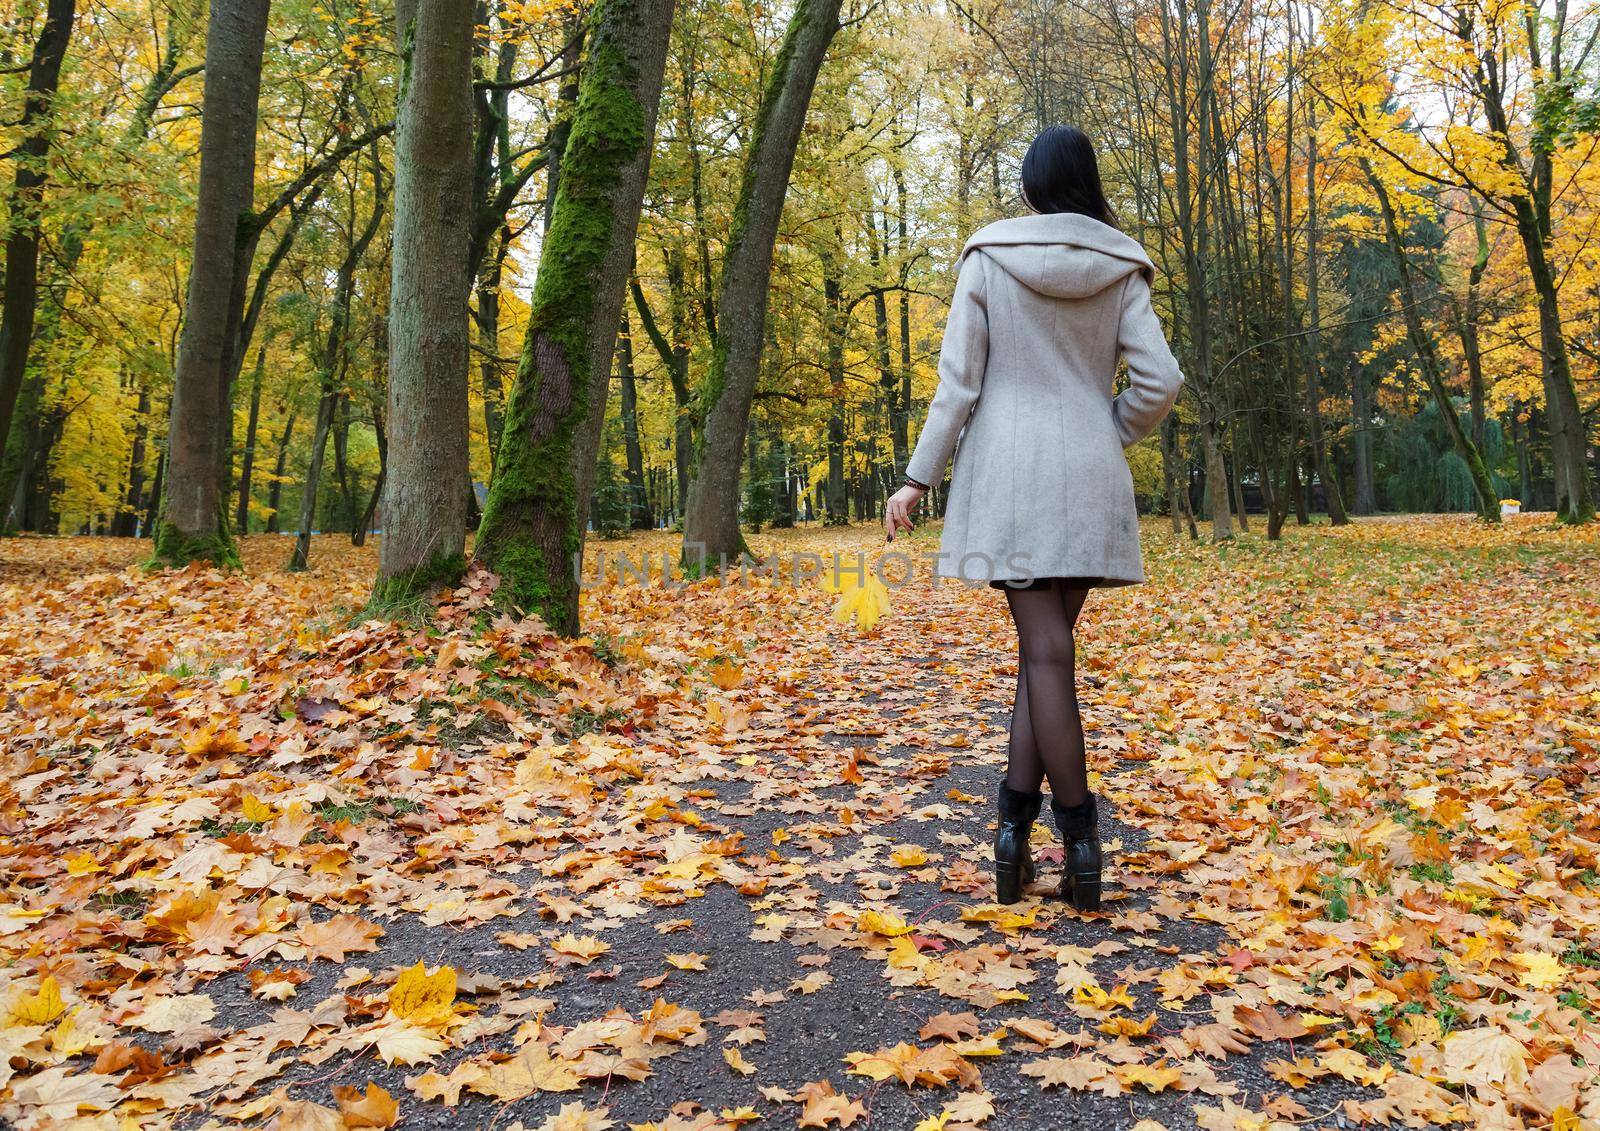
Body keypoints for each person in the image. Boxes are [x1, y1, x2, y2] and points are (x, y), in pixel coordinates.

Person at [883, 126, 1184, 910]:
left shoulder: (989, 259)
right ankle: (1013, 831)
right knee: (1043, 654)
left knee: (1043, 651)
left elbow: (959, 385)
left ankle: (1079, 837)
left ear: (1030, 189)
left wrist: (918, 478)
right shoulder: (1120, 267)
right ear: (1086, 186)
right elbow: (1160, 380)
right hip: (1087, 477)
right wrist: (1104, 426)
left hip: (1012, 478)